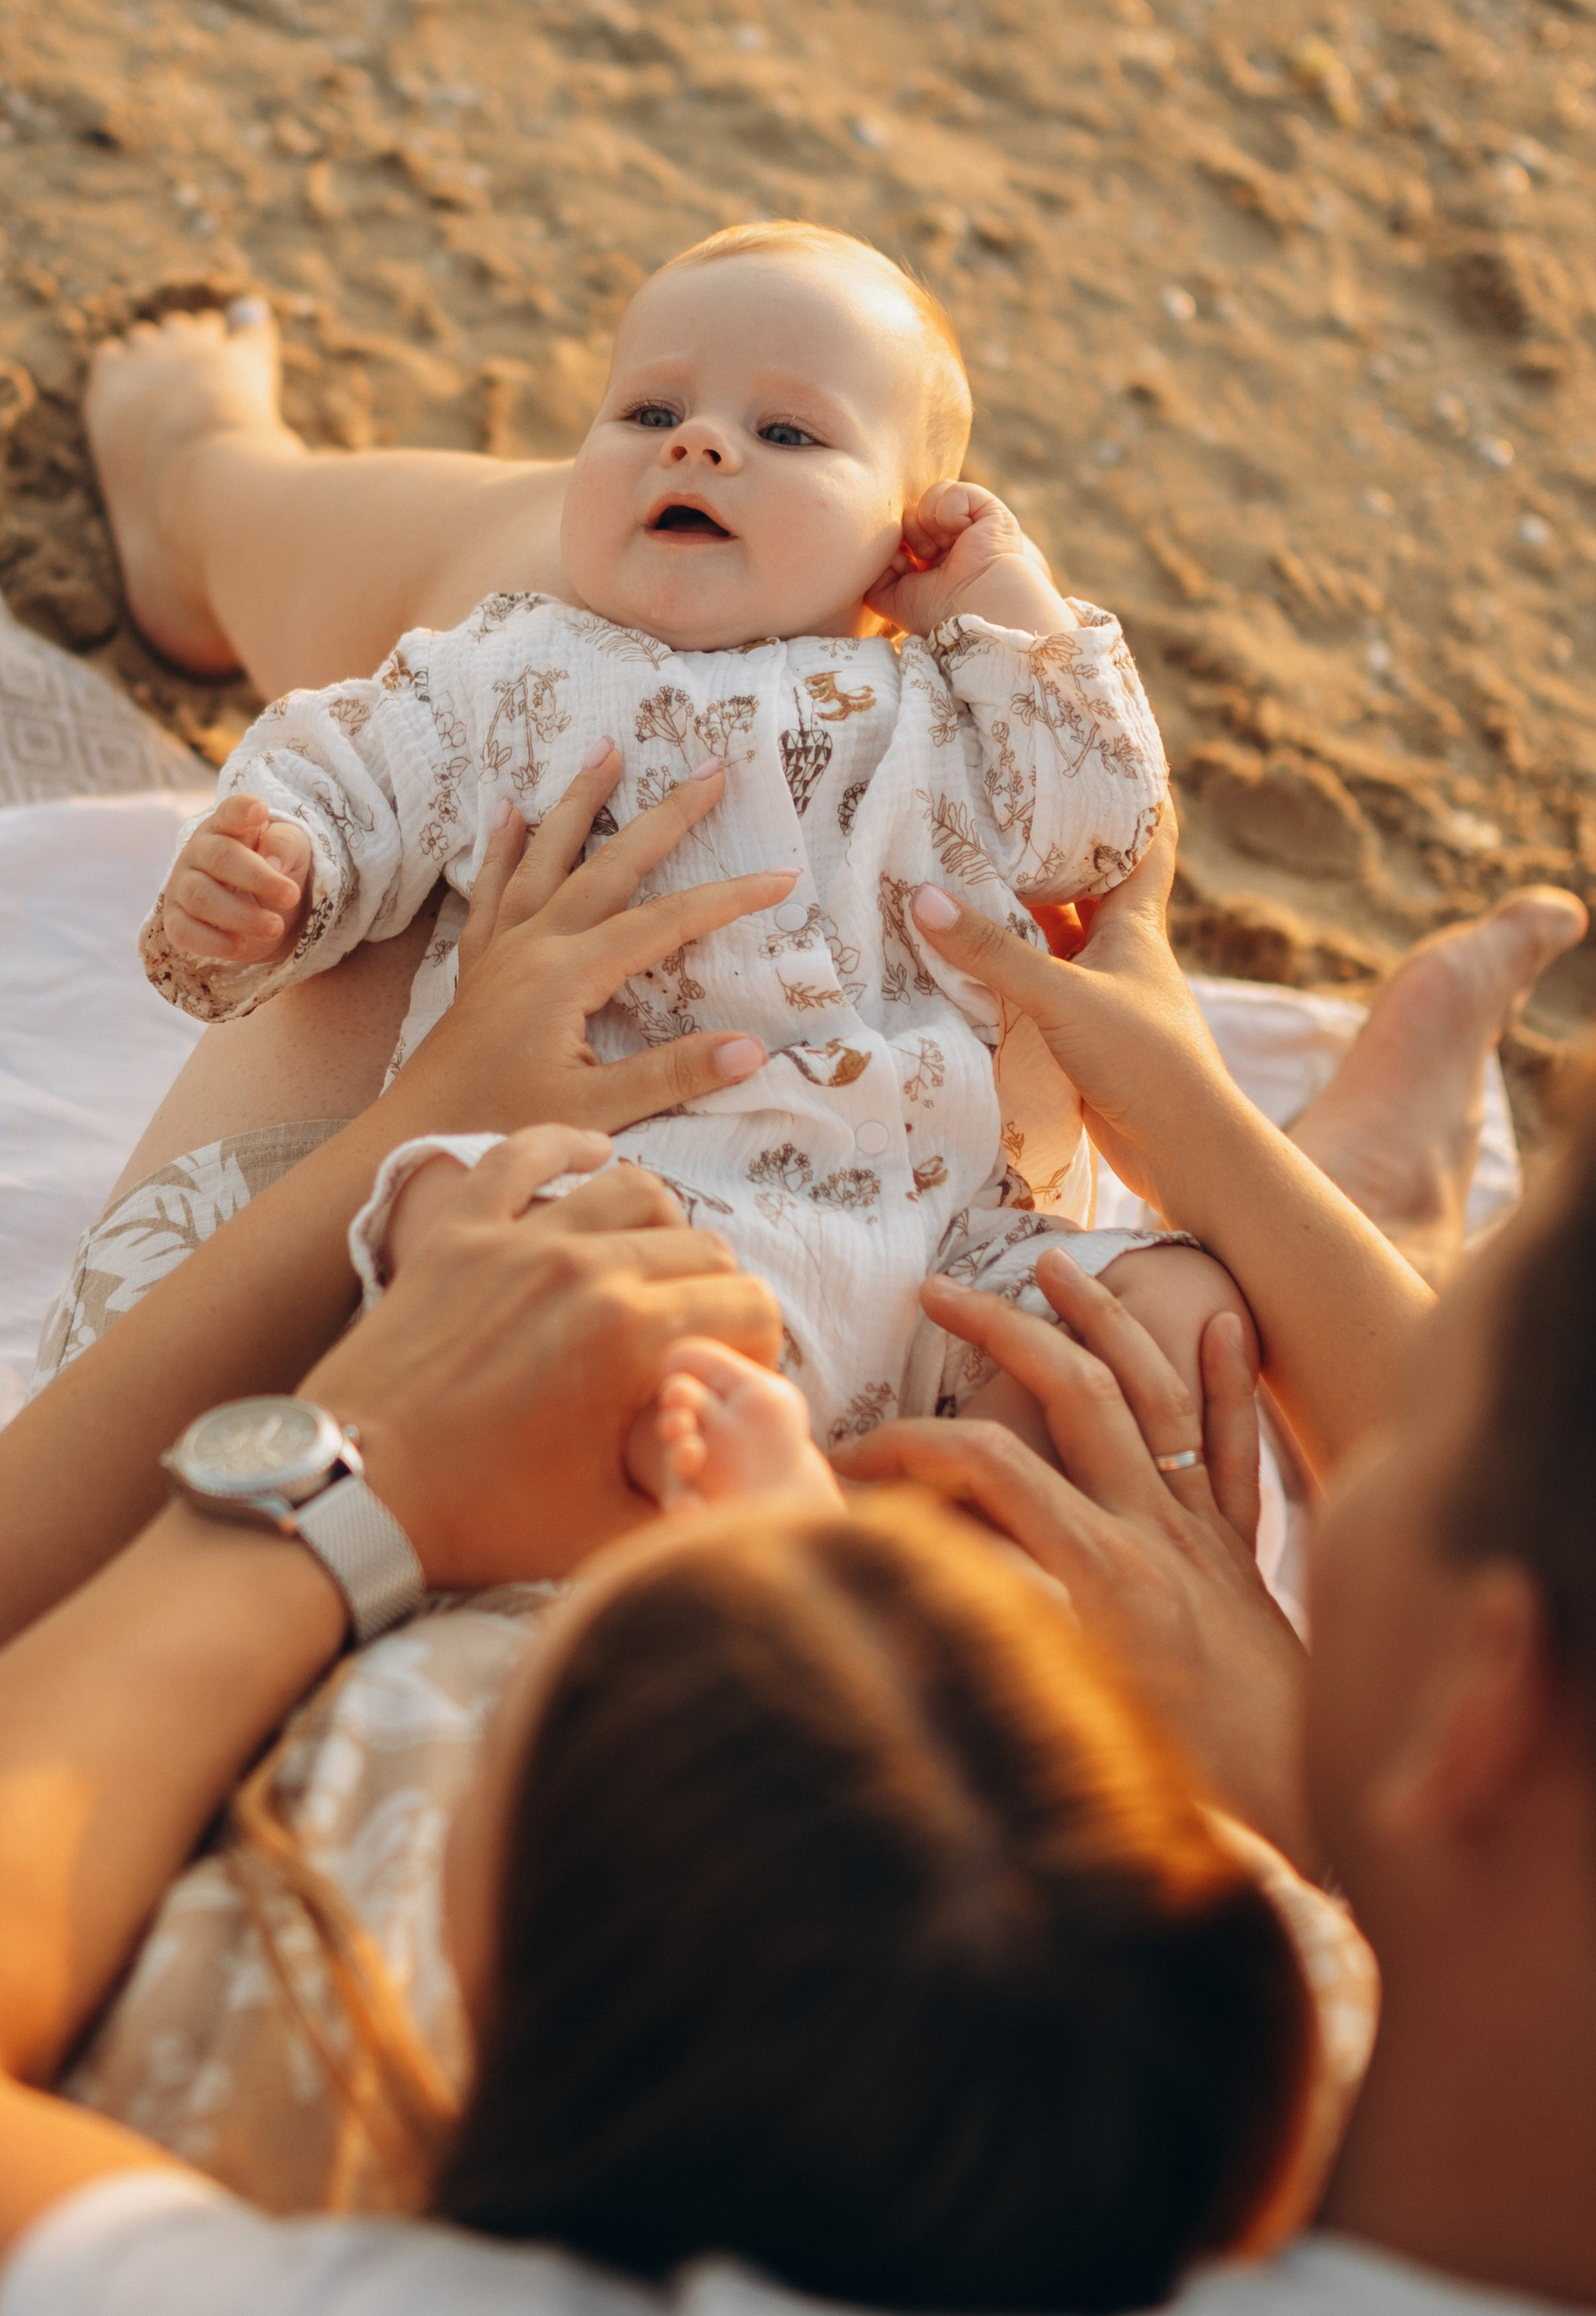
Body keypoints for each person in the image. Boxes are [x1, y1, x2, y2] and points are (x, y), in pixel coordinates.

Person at [6, 936, 1596, 2316]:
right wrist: (1327, 1816)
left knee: (344, 1004)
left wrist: (352, 1468)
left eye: (1401, 1442)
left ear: (1482, 1719)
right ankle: (1363, 1175)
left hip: (365, 1626)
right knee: (1104, 1386)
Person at [132, 224, 1236, 1457]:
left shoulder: (939, 709)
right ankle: (601, 1459)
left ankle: (879, 1517)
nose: (697, 443)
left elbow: (1098, 834)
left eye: (789, 435)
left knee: (1168, 1313)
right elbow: (356, 766)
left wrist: (1010, 605)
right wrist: (277, 866)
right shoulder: (512, 668)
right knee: (454, 1212)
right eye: (649, 409)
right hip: (617, 1196)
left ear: (904, 538)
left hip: (940, 1252)